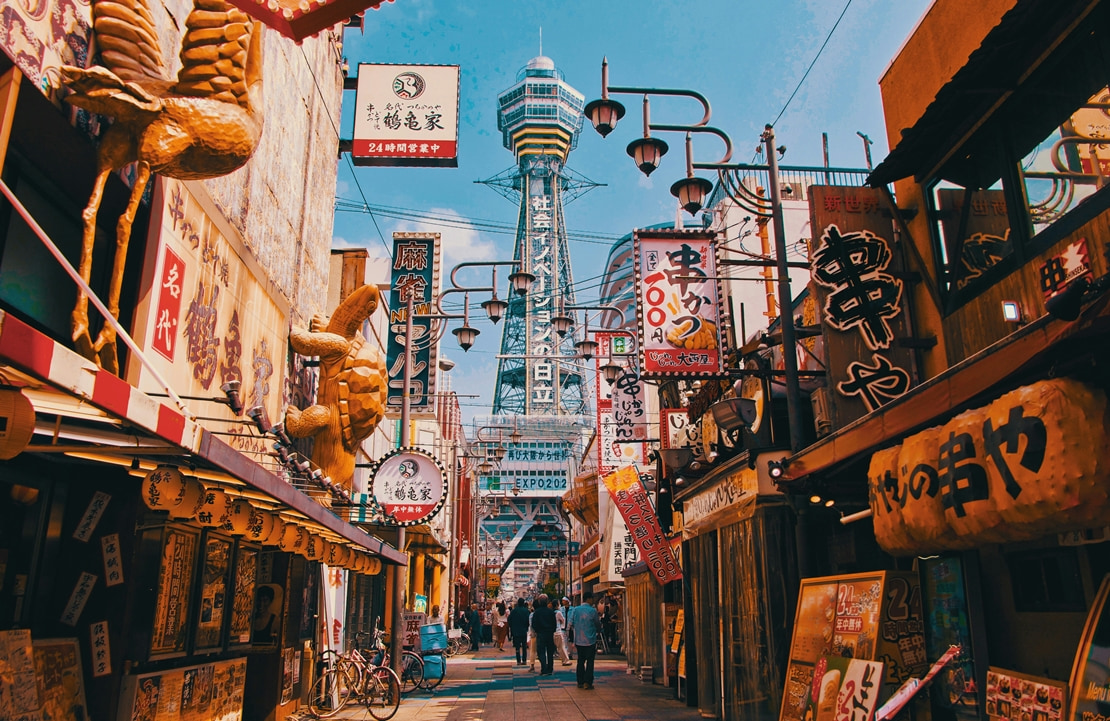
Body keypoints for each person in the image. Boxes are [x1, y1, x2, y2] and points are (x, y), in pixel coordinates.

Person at [567, 591, 601, 690]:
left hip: (579, 640)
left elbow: (570, 623)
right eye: (592, 598)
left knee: (580, 661)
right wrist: (598, 631)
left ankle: (580, 681)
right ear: (589, 599)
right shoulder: (592, 611)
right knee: (590, 662)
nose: (593, 600)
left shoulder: (576, 610)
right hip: (590, 640)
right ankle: (588, 682)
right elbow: (597, 623)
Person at [531, 594, 557, 675]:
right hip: (549, 633)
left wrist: (537, 630)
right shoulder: (551, 612)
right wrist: (552, 630)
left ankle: (544, 669)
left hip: (541, 634)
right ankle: (550, 669)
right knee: (550, 652)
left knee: (541, 652)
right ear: (547, 601)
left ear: (539, 602)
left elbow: (534, 624)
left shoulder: (537, 612)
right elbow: (554, 624)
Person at [508, 597, 530, 665]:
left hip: (516, 631)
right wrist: (526, 627)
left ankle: (518, 660)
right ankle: (524, 660)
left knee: (517, 647)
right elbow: (528, 621)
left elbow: (509, 620)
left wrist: (512, 627)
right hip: (523, 630)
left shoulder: (514, 611)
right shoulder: (526, 611)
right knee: (524, 646)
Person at [554, 597, 572, 666]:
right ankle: (566, 659)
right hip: (559, 630)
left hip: (558, 630)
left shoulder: (571, 609)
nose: (561, 603)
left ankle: (567, 655)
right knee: (562, 645)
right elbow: (562, 620)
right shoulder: (559, 611)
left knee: (564, 644)